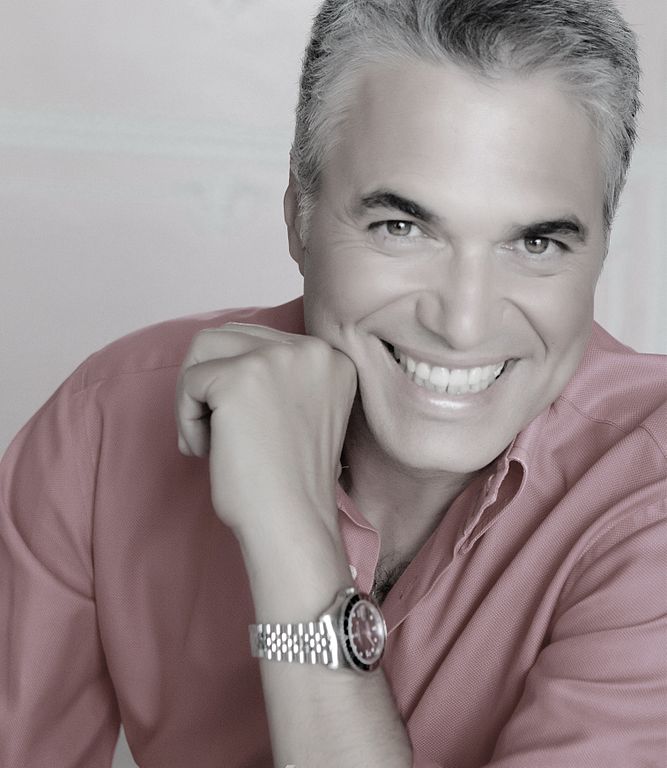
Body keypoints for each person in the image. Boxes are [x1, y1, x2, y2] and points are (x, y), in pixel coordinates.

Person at [1, 0, 665, 766]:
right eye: (401, 227)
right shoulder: (107, 423)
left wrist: (289, 529)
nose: (462, 323)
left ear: (600, 250)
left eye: (536, 243)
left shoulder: (647, 497)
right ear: (299, 214)